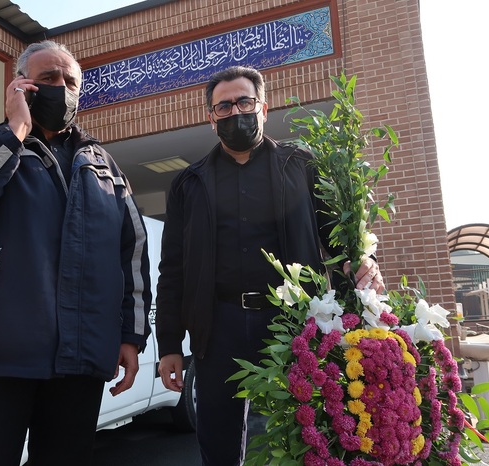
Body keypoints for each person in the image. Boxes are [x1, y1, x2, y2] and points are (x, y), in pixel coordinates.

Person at [0, 40, 151, 466]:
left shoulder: (106, 168)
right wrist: (14, 131)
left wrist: (130, 337)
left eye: (70, 81)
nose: (60, 88)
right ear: (21, 84)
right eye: (48, 78)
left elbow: (132, 253)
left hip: (80, 360)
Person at [155, 66, 385, 466]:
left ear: (263, 107)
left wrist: (364, 261)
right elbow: (173, 269)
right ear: (211, 119)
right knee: (219, 440)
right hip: (217, 328)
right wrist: (170, 344)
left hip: (292, 322)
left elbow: (338, 237)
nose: (235, 112)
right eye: (224, 106)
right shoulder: (189, 184)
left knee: (305, 436)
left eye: (244, 102)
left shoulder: (303, 166)